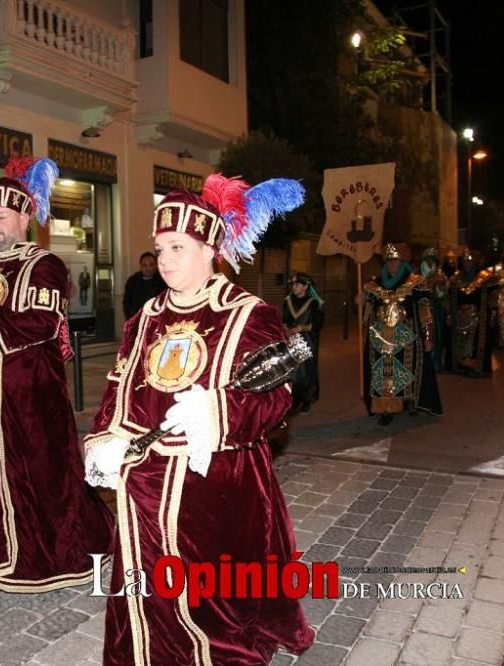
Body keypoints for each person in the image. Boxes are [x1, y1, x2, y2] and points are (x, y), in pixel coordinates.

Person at [83, 174, 315, 665]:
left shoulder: (247, 313)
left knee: (211, 599)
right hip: (143, 483)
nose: (164, 259)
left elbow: (277, 395)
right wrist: (105, 437)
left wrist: (216, 412)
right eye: (160, 248)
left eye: (177, 247)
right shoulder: (144, 316)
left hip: (216, 483)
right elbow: (120, 383)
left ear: (211, 250)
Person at [0, 155, 114, 604]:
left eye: (1, 216)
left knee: (39, 481)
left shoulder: (45, 264)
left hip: (28, 401)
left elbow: (36, 322)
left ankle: (53, 557)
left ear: (24, 217)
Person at [361, 243, 443, 425]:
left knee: (407, 369)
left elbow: (425, 311)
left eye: (395, 261)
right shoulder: (376, 284)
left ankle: (410, 401)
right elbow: (369, 310)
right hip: (380, 338)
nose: (391, 264)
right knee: (383, 373)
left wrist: (428, 336)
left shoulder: (415, 282)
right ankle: (385, 409)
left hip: (406, 337)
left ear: (402, 262)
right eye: (389, 261)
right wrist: (363, 300)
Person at [447, 248, 496, 377]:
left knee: (474, 343)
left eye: (469, 262)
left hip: (477, 317)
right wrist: (450, 313)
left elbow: (492, 297)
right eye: (465, 262)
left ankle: (475, 368)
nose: (467, 264)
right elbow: (451, 297)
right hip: (460, 316)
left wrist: (491, 314)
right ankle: (462, 366)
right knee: (461, 342)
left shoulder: (484, 277)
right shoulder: (457, 278)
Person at [282, 273, 324, 413]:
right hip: (291, 340)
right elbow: (284, 319)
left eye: (297, 284)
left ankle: (307, 399)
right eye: (293, 284)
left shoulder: (313, 303)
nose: (294, 287)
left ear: (305, 287)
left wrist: (302, 328)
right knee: (293, 370)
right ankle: (295, 399)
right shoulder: (287, 301)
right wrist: (287, 330)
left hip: (308, 341)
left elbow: (318, 324)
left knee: (307, 369)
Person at [417, 247, 449, 372]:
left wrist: (440, 285)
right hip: (422, 307)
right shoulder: (418, 274)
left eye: (433, 259)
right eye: (428, 259)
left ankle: (436, 364)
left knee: (437, 334)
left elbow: (443, 294)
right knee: (423, 334)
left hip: (437, 308)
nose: (430, 261)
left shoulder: (440, 274)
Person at [121, 251, 167, 320]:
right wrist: (129, 317)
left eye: (151, 265)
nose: (148, 268)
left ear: (156, 265)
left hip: (156, 321)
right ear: (140, 266)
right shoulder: (133, 281)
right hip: (136, 320)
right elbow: (127, 301)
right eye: (144, 265)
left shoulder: (163, 282)